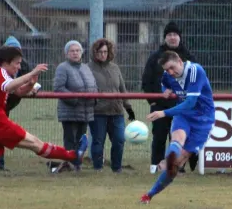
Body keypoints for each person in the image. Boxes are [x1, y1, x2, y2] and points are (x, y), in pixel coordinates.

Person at [0, 46, 88, 209]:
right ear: (6, 62)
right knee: (35, 143)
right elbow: (9, 87)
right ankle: (73, 156)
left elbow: (17, 92)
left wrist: (29, 85)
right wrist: (32, 73)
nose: (19, 67)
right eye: (17, 63)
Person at [140, 50, 215, 204]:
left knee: (175, 167)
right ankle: (147, 196)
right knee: (177, 138)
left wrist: (164, 113)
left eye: (172, 68)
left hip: (203, 121)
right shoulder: (168, 76)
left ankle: (152, 192)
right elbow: (164, 84)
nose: (170, 72)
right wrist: (164, 91)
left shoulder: (195, 71)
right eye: (167, 70)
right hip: (184, 116)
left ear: (180, 61)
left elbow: (190, 103)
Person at [141, 22, 197, 174]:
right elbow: (147, 80)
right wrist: (153, 99)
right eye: (169, 35)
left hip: (181, 107)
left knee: (179, 138)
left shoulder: (189, 57)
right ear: (165, 38)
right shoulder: (155, 57)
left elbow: (195, 80)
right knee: (159, 137)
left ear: (180, 37)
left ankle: (178, 166)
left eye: (175, 35)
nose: (172, 38)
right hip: (160, 106)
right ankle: (155, 166)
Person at [88, 38, 136, 172]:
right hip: (98, 113)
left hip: (117, 111)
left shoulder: (115, 68)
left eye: (105, 52)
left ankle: (117, 168)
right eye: (100, 52)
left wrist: (129, 108)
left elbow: (122, 89)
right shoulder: (88, 68)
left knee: (119, 140)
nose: (103, 54)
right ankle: (97, 168)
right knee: (98, 142)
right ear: (95, 52)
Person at [53, 40, 97, 172]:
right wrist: (76, 99)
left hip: (85, 111)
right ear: (67, 53)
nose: (75, 53)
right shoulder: (62, 68)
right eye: (72, 51)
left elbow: (93, 86)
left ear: (81, 53)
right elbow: (59, 88)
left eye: (77, 50)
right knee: (70, 139)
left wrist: (94, 99)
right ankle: (69, 164)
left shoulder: (86, 67)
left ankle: (77, 164)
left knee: (81, 140)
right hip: (70, 111)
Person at [0, 36, 39, 171]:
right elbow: (11, 88)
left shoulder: (23, 65)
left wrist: (32, 87)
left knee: (2, 134)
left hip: (9, 104)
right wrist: (26, 89)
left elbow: (30, 81)